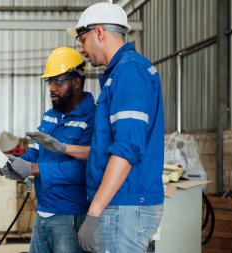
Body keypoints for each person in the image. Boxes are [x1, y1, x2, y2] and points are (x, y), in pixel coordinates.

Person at [28, 2, 165, 253]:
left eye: (82, 39)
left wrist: (93, 213)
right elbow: (106, 150)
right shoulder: (118, 74)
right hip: (120, 205)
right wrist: (66, 148)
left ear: (99, 33)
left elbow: (126, 150)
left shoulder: (129, 72)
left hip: (126, 205)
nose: (81, 48)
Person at [0, 47, 96, 253]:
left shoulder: (92, 119)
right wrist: (15, 164)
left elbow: (84, 169)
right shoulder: (50, 115)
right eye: (49, 82)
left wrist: (34, 169)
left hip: (69, 216)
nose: (52, 88)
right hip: (42, 212)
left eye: (58, 82)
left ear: (77, 82)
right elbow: (37, 152)